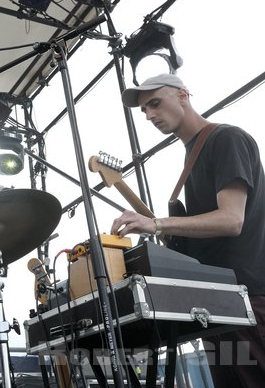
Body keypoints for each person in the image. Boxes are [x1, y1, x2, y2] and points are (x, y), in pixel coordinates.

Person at [111, 73, 265, 386]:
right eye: (144, 111)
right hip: (220, 304)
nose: (150, 115)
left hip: (249, 299)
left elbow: (231, 220)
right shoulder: (192, 156)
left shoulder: (226, 139)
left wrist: (157, 224)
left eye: (155, 103)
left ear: (183, 95)